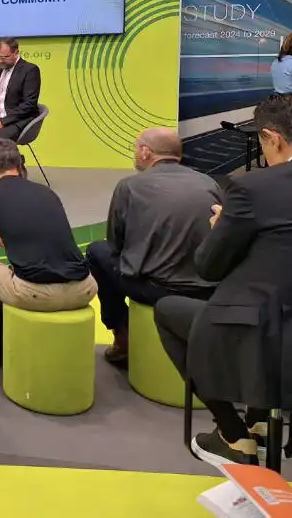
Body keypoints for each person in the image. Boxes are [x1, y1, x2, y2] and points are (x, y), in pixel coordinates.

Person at [155, 94, 292, 467]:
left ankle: (233, 434)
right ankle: (259, 420)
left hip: (260, 329)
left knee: (169, 311)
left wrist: (219, 228)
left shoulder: (253, 188)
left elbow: (209, 267)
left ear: (272, 138)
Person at [0, 140, 96, 360]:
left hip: (34, 293)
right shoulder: (46, 193)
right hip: (84, 289)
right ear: (18, 164)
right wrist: (7, 240)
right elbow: (49, 238)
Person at [86, 128, 218, 365]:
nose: (135, 153)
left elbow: (115, 244)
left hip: (158, 289)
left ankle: (122, 337)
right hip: (207, 289)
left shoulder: (130, 186)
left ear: (146, 152)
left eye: (136, 148)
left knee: (97, 251)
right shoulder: (209, 183)